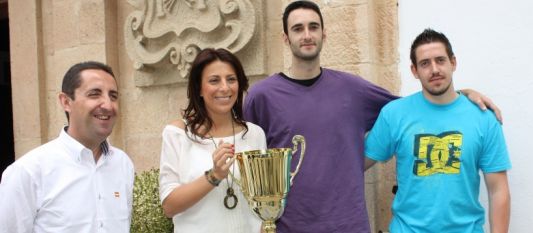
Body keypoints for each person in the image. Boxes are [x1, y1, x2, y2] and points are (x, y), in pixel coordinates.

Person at [243, 1, 503, 232]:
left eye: (314, 27)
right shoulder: (262, 95)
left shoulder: (352, 89)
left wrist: (461, 95)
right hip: (289, 224)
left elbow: (416, 108)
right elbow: (245, 154)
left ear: (324, 33)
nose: (307, 34)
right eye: (298, 29)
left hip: (348, 223)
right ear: (286, 38)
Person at [365, 28, 511, 233]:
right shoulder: (394, 114)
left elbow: (498, 190)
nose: (434, 69)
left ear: (453, 62)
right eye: (425, 63)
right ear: (414, 71)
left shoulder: (484, 118)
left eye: (440, 60)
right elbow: (357, 163)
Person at [0, 61, 135, 233]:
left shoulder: (123, 164)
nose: (108, 105)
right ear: (66, 102)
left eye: (113, 96)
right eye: (94, 94)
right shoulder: (29, 172)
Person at [158, 48, 266, 232]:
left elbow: (263, 203)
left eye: (231, 79)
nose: (224, 87)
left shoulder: (255, 134)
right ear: (199, 88)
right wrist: (214, 176)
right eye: (214, 80)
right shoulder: (177, 134)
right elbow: (169, 206)